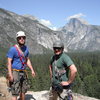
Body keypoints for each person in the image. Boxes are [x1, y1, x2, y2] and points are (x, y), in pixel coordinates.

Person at [7, 31, 36, 100]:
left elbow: (27, 60)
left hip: (23, 71)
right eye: (20, 38)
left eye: (23, 37)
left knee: (23, 90)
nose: (22, 39)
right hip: (15, 72)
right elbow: (9, 62)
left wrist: (32, 70)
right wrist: (10, 74)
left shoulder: (26, 49)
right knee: (15, 91)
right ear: (17, 39)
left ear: (25, 38)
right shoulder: (13, 49)